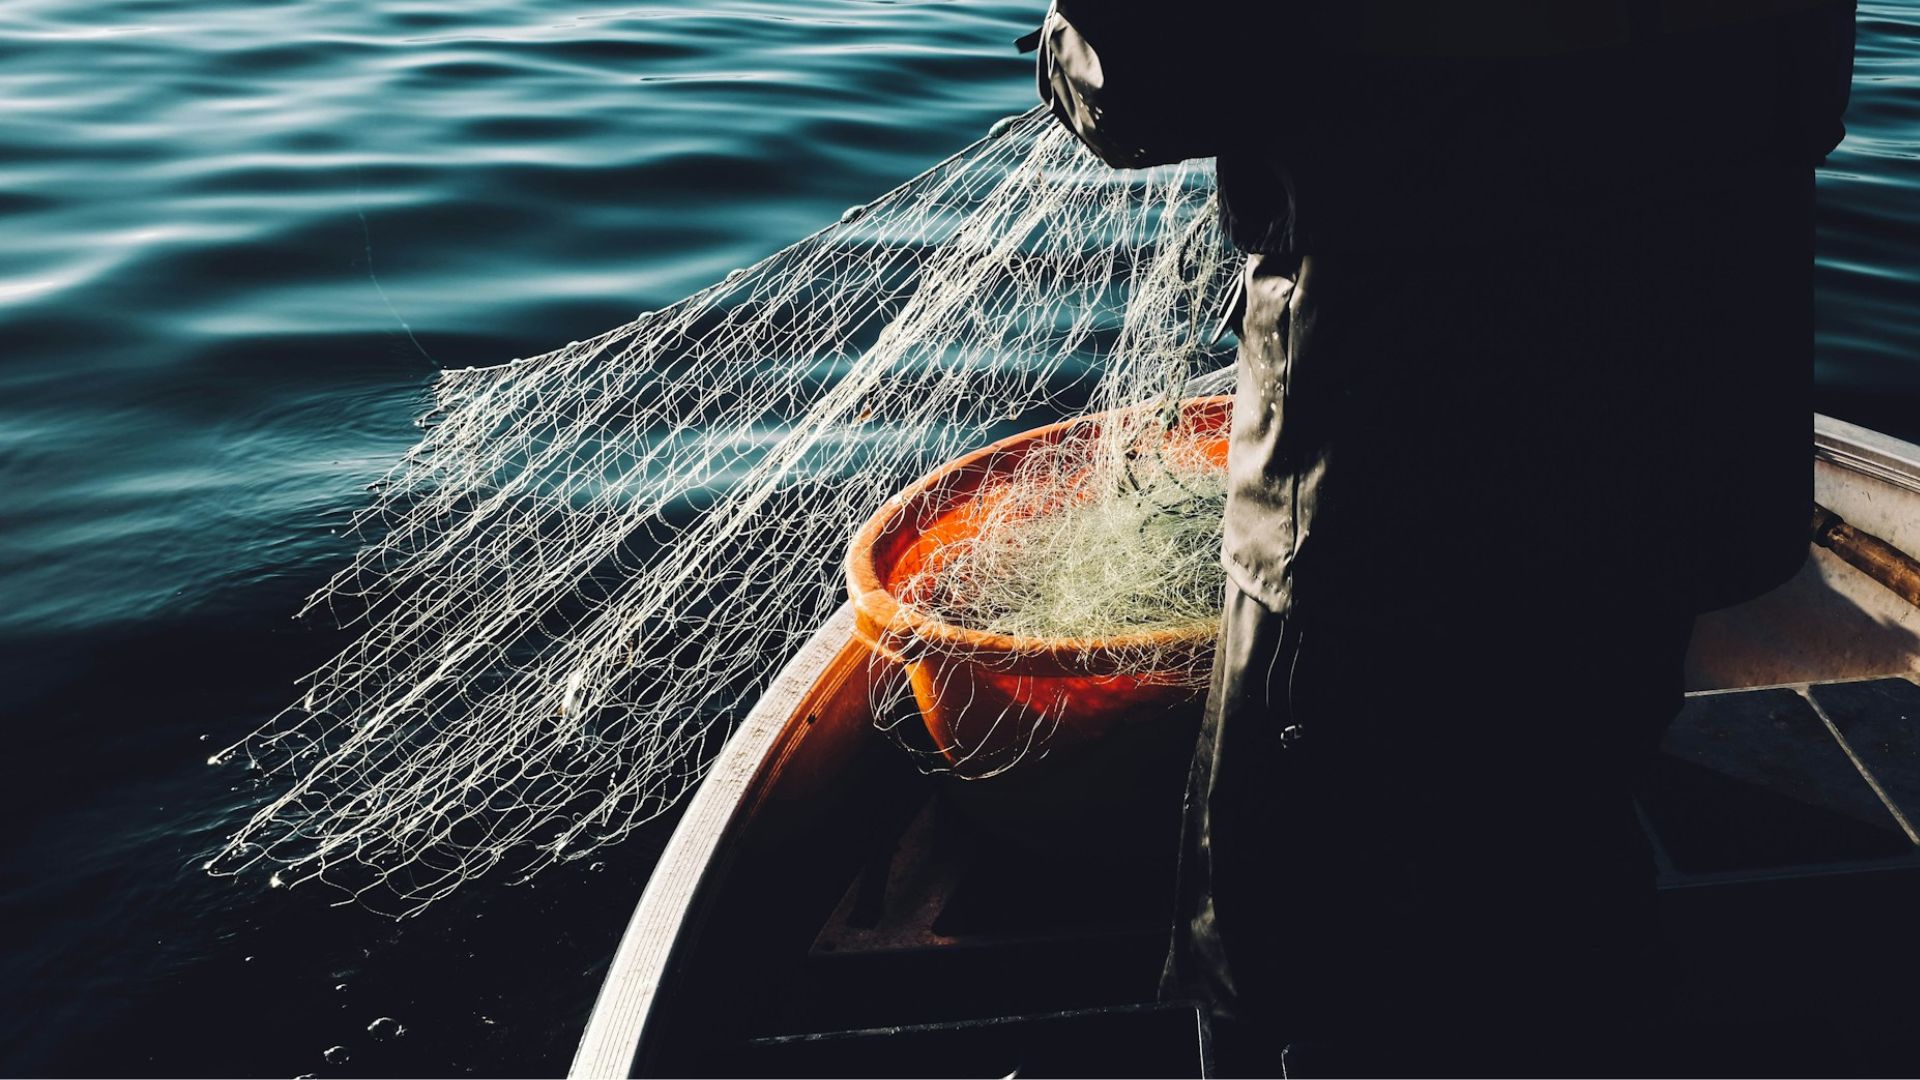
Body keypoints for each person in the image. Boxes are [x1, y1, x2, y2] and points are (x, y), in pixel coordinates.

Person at [1036, 2, 1857, 1074]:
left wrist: (1067, 45)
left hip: (1389, 479)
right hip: (1664, 433)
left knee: (1301, 920)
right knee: (1567, 821)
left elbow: (1143, 81)